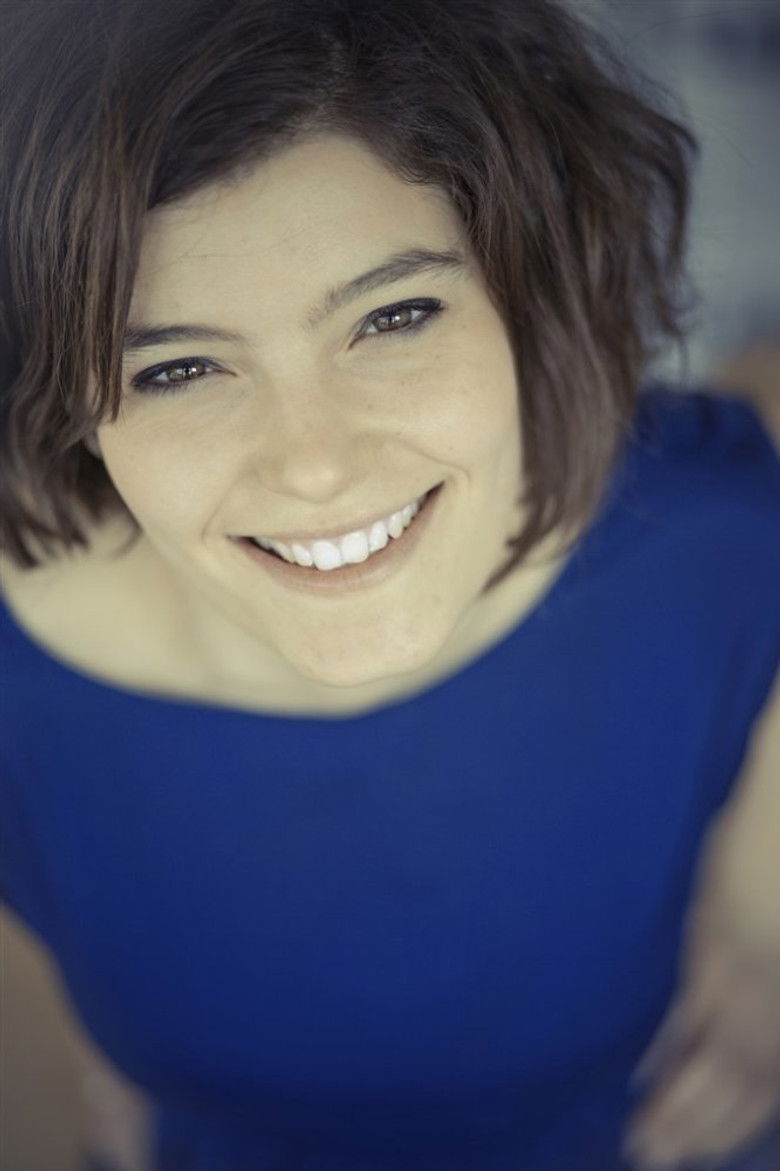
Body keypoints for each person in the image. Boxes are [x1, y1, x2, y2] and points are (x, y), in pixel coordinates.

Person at [1, 1, 778, 1169]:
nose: (314, 465)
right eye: (177, 368)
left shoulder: (715, 556)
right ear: (68, 403)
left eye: (395, 315)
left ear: (528, 289)